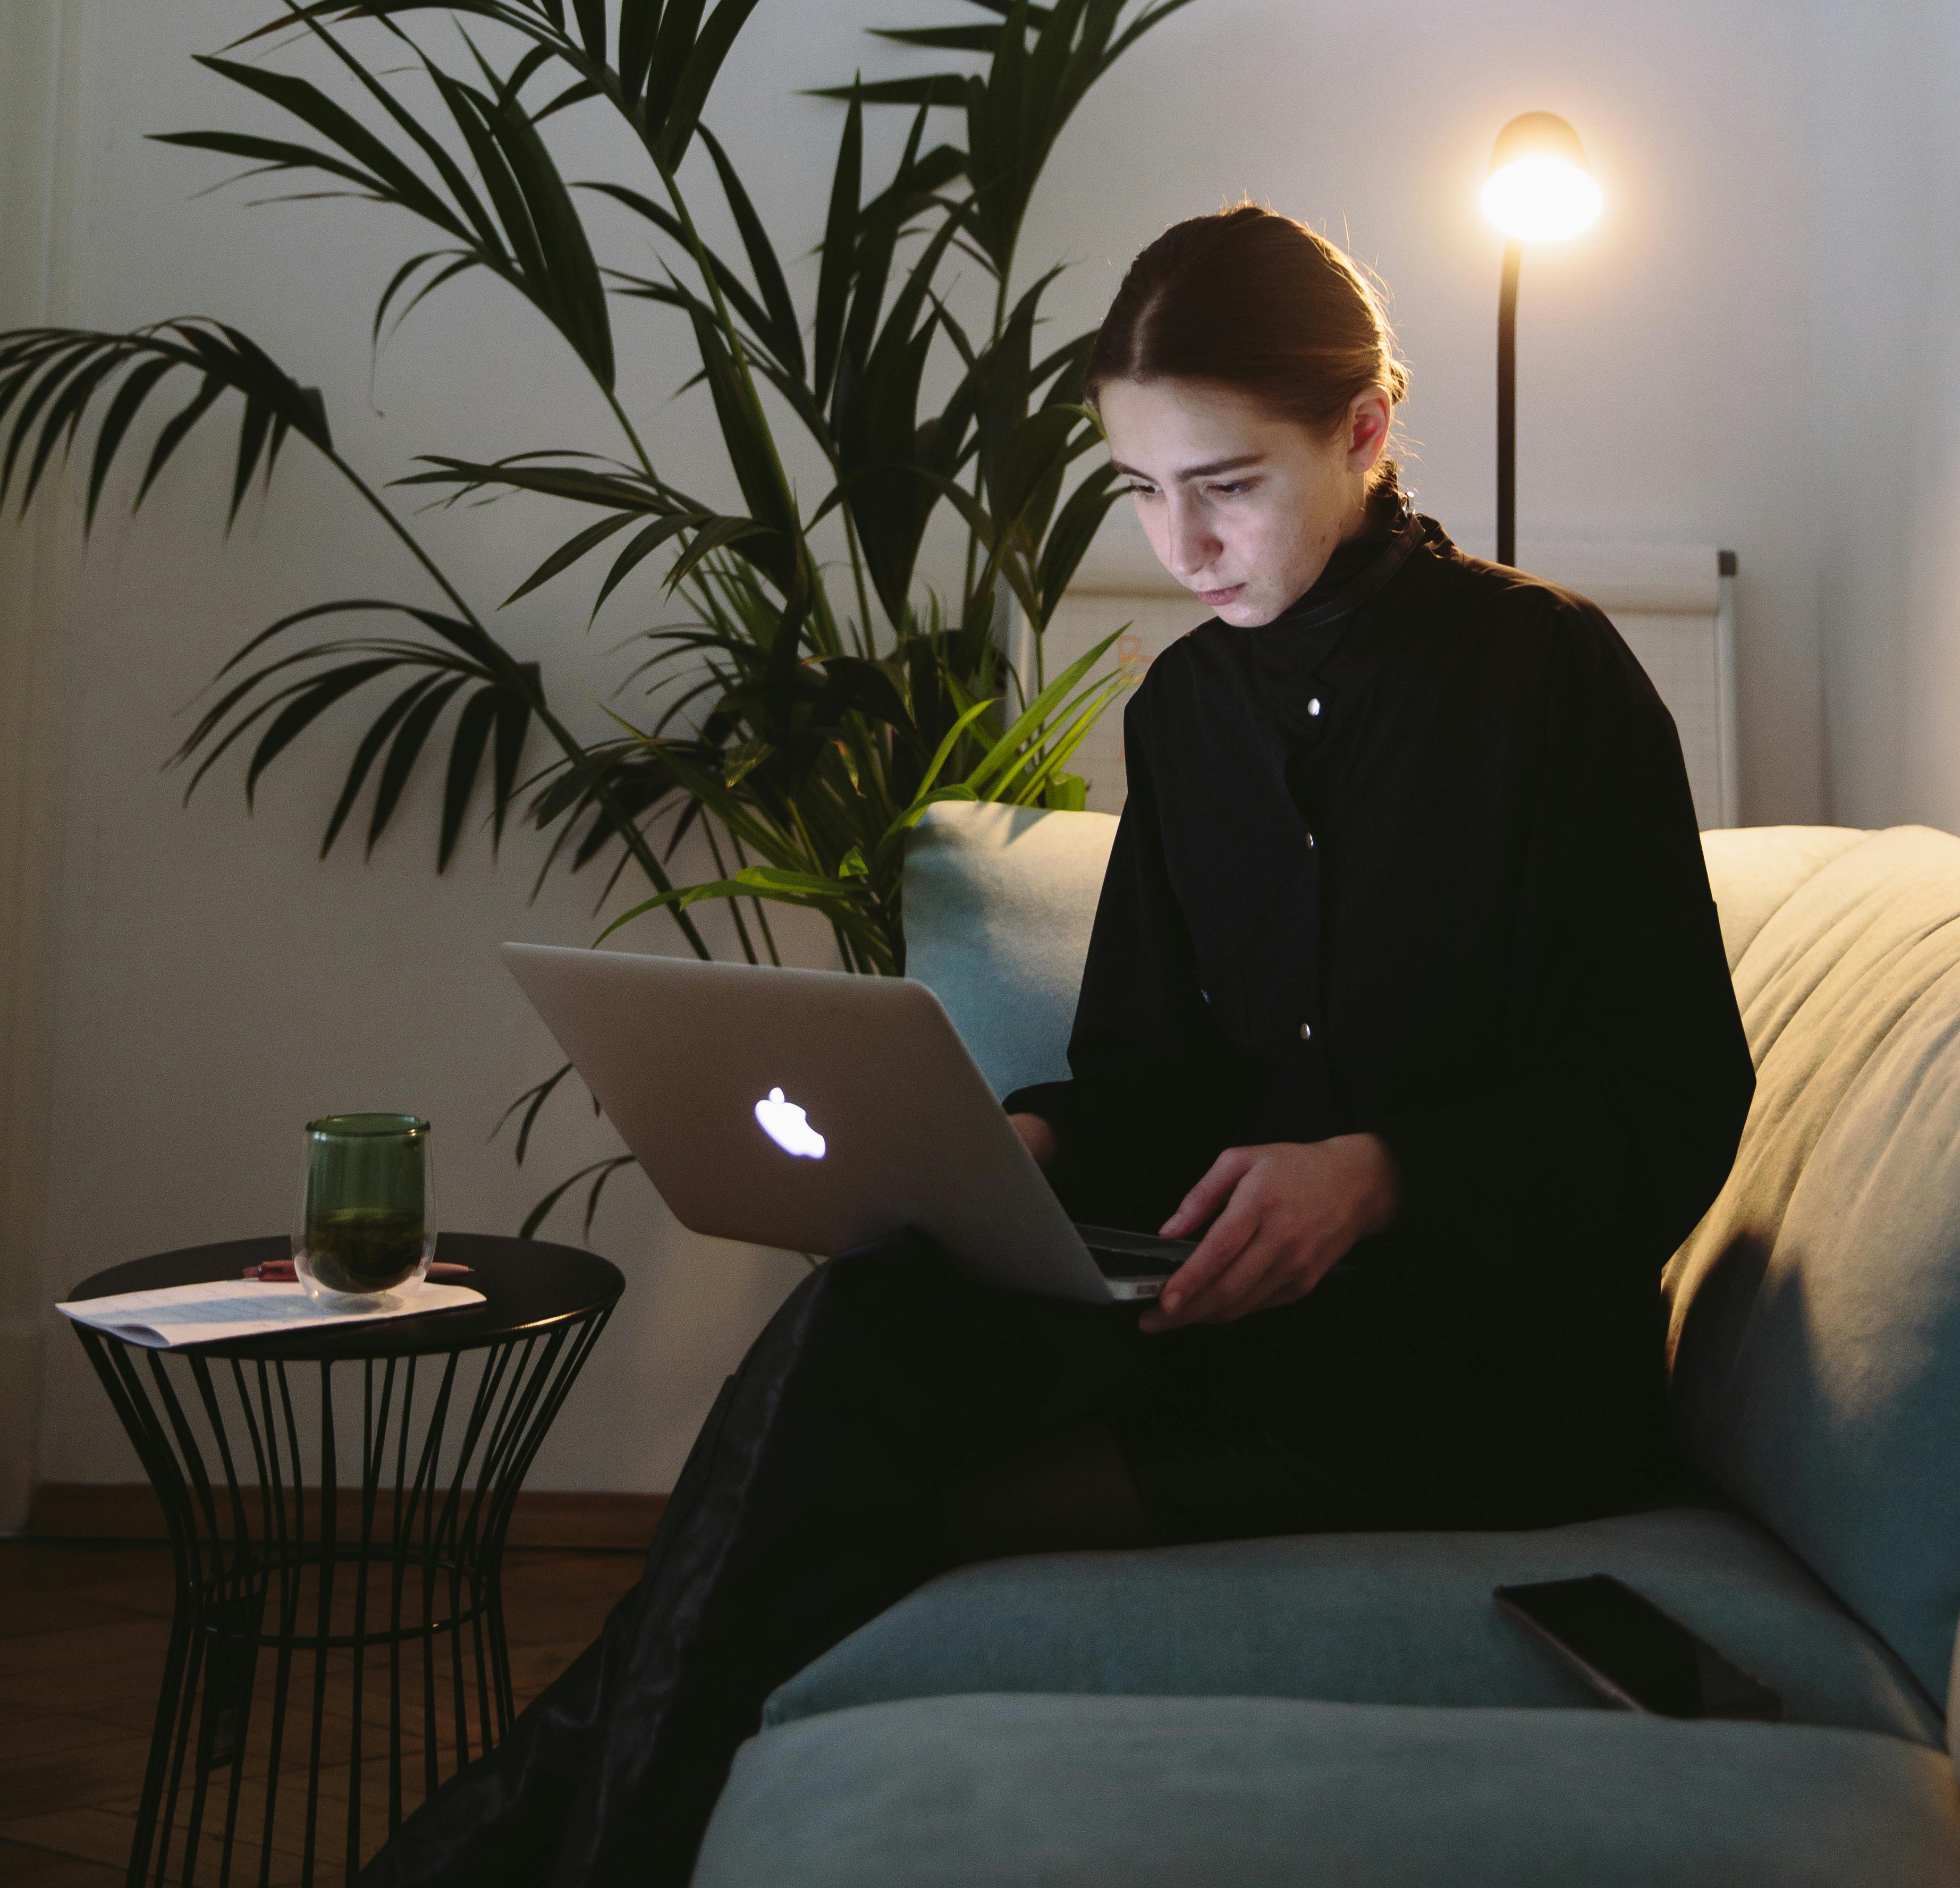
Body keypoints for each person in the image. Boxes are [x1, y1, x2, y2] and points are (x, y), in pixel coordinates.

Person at [368, 203, 1754, 1888]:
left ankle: (512, 1850)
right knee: (869, 1319)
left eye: (1227, 485)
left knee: (827, 1508)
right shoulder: (1184, 717)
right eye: (1143, 492)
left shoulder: (1553, 680)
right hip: (1223, 1318)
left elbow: (1676, 1097)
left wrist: (1380, 1180)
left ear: (1366, 431)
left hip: (1474, 1377)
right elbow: (1149, 1086)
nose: (1181, 546)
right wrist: (1009, 1154)